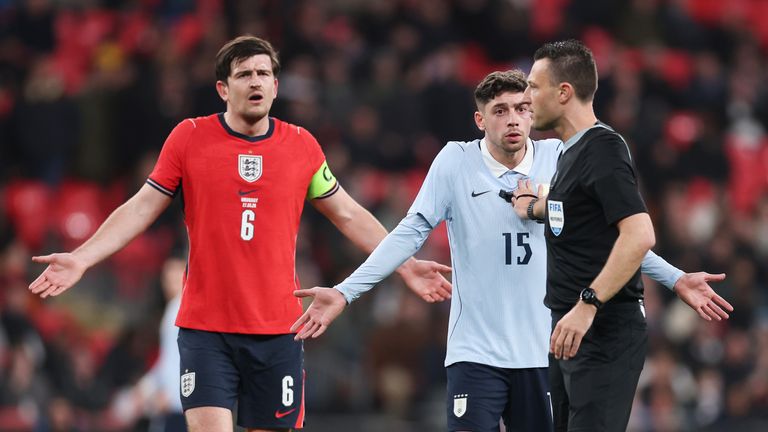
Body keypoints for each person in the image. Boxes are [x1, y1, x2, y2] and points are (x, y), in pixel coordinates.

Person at [27, 35, 452, 432]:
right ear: (222, 89)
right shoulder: (189, 138)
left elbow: (348, 214)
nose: (255, 82)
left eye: (263, 74)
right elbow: (142, 207)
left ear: (276, 85)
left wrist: (405, 265)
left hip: (279, 331)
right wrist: (82, 257)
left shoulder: (301, 146)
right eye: (244, 74)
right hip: (205, 329)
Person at [290, 70, 732, 432]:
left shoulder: (560, 158)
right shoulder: (455, 162)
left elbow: (607, 239)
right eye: (500, 111)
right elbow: (408, 233)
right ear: (480, 120)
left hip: (544, 355)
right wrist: (346, 292)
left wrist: (675, 278)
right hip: (474, 354)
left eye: (522, 108)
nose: (514, 119)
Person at [512, 40, 734, 432]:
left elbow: (638, 233)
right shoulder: (570, 154)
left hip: (602, 330)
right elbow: (595, 230)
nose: (526, 98)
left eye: (533, 86)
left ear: (564, 92)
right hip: (569, 331)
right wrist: (534, 208)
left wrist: (588, 304)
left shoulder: (604, 150)